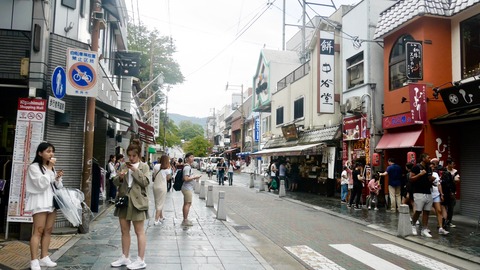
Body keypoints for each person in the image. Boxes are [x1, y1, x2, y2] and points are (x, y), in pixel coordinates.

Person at [111, 139, 150, 270]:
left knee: (139, 231)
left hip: (138, 202)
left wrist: (135, 171)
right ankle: (125, 257)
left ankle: (140, 259)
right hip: (124, 200)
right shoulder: (123, 166)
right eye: (130, 156)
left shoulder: (144, 166)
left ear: (138, 155)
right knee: (124, 230)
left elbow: (145, 182)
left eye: (134, 156)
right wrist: (120, 177)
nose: (131, 158)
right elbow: (115, 182)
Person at [25, 142, 64, 270]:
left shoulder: (50, 168)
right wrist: (49, 169)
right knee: (38, 230)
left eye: (52, 151)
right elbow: (40, 184)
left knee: (48, 230)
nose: (51, 154)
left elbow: (56, 186)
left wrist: (57, 178)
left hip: (51, 202)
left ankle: (44, 257)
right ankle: (34, 260)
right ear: (40, 153)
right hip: (40, 202)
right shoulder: (34, 167)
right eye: (48, 151)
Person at [410, 153, 434, 238]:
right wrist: (420, 174)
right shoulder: (416, 167)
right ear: (423, 158)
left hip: (428, 191)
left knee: (427, 211)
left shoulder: (429, 168)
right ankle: (413, 225)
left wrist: (432, 180)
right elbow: (411, 178)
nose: (429, 159)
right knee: (418, 210)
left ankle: (424, 229)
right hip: (418, 191)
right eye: (428, 157)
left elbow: (429, 178)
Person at [181, 153, 201, 226]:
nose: (193, 158)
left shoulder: (188, 167)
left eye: (193, 157)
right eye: (191, 157)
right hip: (187, 188)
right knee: (187, 203)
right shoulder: (187, 167)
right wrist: (194, 177)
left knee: (187, 203)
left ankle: (185, 219)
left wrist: (193, 177)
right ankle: (185, 220)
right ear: (187, 158)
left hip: (187, 187)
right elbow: (185, 178)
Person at [430, 158, 449, 235]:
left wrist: (441, 194)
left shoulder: (435, 174)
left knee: (439, 210)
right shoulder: (425, 174)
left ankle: (441, 227)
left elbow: (438, 184)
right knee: (427, 210)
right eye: (431, 166)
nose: (432, 168)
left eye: (433, 167)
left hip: (436, 194)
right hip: (428, 194)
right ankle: (425, 227)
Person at [152, 155, 171, 225]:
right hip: (162, 186)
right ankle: (156, 219)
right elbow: (168, 178)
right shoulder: (167, 169)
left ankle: (161, 216)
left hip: (155, 186)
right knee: (160, 203)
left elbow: (153, 175)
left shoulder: (156, 166)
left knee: (158, 201)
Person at [444, 158, 460, 228]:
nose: (454, 165)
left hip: (452, 192)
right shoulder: (444, 170)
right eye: (453, 164)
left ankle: (449, 221)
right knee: (444, 207)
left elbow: (458, 180)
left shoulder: (455, 171)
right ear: (448, 164)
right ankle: (443, 221)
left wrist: (454, 180)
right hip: (444, 192)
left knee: (451, 207)